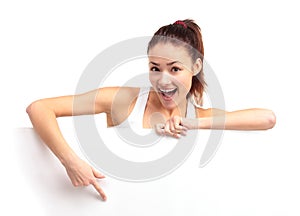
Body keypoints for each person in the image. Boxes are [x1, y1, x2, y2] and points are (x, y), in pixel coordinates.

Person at [26, 19, 276, 201]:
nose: (163, 80)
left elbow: (267, 118)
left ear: (196, 66)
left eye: (175, 69)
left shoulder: (198, 117)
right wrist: (71, 161)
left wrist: (191, 123)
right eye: (155, 68)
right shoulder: (124, 101)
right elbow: (40, 108)